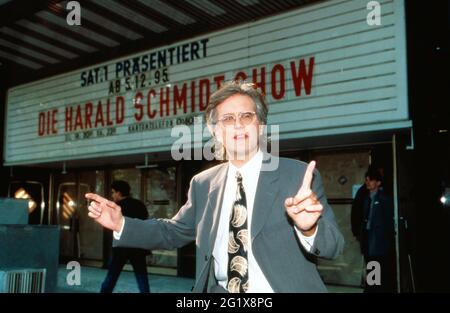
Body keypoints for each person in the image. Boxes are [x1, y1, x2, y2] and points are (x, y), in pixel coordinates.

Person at [87, 81, 344, 293]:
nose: (238, 124)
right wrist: (122, 224)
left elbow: (333, 247)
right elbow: (174, 232)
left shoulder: (297, 176)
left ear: (261, 126)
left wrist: (309, 228)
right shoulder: (203, 183)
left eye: (247, 116)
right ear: (216, 131)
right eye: (228, 118)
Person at [100, 180, 150, 293]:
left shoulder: (116, 207)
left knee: (112, 276)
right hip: (138, 246)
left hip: (121, 247)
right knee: (141, 277)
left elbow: (111, 227)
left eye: (113, 192)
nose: (112, 195)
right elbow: (145, 224)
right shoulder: (139, 205)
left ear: (119, 193)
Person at [360, 168, 395, 292]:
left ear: (378, 183)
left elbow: (389, 222)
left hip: (379, 242)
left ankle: (373, 289)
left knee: (377, 267)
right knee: (371, 266)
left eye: (371, 180)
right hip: (369, 239)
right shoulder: (366, 199)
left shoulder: (384, 199)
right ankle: (371, 288)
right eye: (366, 180)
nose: (367, 182)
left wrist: (387, 240)